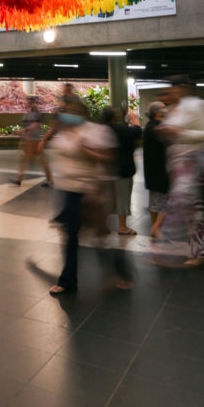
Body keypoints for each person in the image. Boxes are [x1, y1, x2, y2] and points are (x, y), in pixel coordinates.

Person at [47, 95, 131, 294]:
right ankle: (68, 281)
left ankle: (122, 273)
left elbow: (108, 157)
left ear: (83, 113)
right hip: (68, 191)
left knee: (99, 236)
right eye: (66, 111)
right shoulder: (63, 133)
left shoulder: (97, 131)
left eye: (73, 111)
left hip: (89, 190)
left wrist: (86, 151)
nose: (69, 115)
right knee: (71, 237)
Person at [151, 79, 204, 267]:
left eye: (171, 91)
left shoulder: (197, 105)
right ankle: (202, 252)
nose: (168, 96)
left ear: (182, 89)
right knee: (192, 211)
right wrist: (166, 131)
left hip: (192, 162)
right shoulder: (173, 110)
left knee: (179, 201)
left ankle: (165, 251)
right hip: (177, 163)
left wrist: (180, 132)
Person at [101, 107, 142, 235]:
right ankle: (122, 227)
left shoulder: (100, 130)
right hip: (123, 170)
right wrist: (134, 118)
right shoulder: (122, 129)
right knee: (123, 199)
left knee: (106, 199)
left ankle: (103, 226)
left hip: (105, 170)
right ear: (115, 118)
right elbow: (137, 132)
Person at [143, 101, 170, 230]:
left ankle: (156, 226)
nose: (166, 109)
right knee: (160, 201)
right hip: (159, 170)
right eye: (164, 107)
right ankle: (156, 227)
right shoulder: (157, 127)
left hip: (153, 169)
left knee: (155, 201)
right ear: (158, 112)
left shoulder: (150, 125)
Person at [13, 96, 52, 186]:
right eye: (29, 101)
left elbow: (35, 125)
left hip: (34, 140)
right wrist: (23, 136)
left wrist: (23, 131)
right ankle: (19, 178)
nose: (29, 102)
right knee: (27, 159)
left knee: (35, 159)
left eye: (31, 101)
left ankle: (19, 178)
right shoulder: (29, 113)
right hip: (29, 140)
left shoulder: (37, 114)